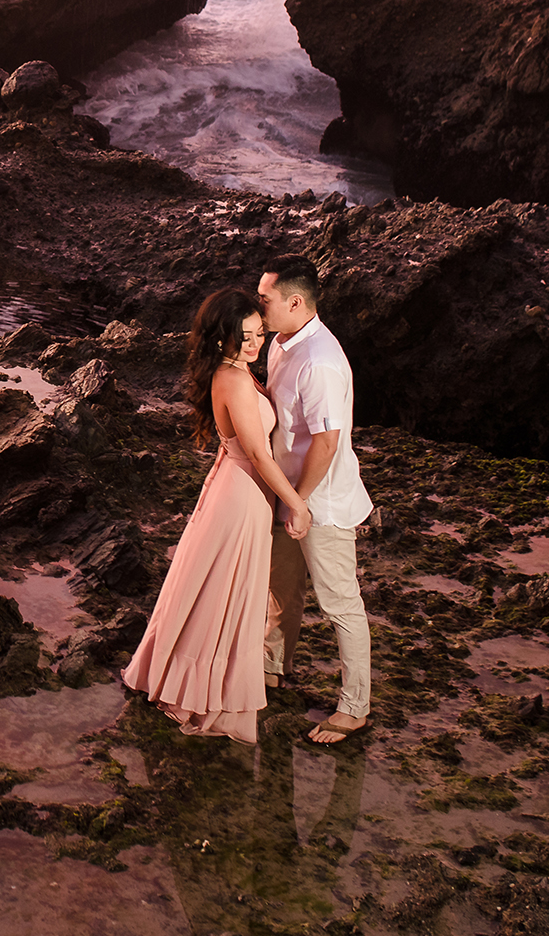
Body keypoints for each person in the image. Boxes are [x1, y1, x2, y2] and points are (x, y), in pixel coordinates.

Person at [123, 289, 312, 744]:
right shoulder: (232, 380)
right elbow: (260, 456)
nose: (254, 344)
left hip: (240, 489)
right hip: (242, 494)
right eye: (243, 336)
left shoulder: (238, 373)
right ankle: (197, 691)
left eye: (259, 334)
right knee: (224, 592)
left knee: (220, 589)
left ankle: (192, 679)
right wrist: (298, 502)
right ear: (220, 339)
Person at [257, 255, 373, 745]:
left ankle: (355, 707)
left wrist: (300, 503)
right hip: (287, 490)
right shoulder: (281, 342)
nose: (257, 308)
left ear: (296, 302)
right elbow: (284, 414)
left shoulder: (321, 361)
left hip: (319, 500)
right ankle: (273, 669)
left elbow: (327, 441)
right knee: (280, 587)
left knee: (340, 603)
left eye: (265, 301)